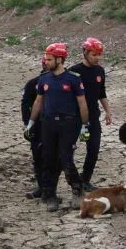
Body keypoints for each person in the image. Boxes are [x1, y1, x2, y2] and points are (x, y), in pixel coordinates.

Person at [25, 43, 89, 212]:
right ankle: (50, 195)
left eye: (49, 59)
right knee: (48, 159)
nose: (46, 62)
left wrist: (85, 125)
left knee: (66, 159)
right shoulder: (44, 78)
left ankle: (77, 190)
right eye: (45, 58)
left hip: (68, 124)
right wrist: (31, 123)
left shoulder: (73, 79)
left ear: (60, 59)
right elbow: (38, 101)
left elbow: (82, 103)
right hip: (48, 124)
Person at [68, 37, 112, 192]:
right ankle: (74, 181)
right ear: (85, 53)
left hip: (93, 117)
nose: (97, 58)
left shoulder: (99, 71)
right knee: (69, 150)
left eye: (99, 54)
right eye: (94, 54)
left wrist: (108, 111)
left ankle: (85, 179)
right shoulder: (74, 71)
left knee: (93, 149)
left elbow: (102, 92)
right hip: (74, 118)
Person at [21, 57, 47, 199]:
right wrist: (27, 125)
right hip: (37, 125)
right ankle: (41, 188)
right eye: (46, 62)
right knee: (38, 157)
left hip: (55, 126)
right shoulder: (33, 84)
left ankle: (50, 190)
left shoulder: (65, 81)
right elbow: (25, 105)